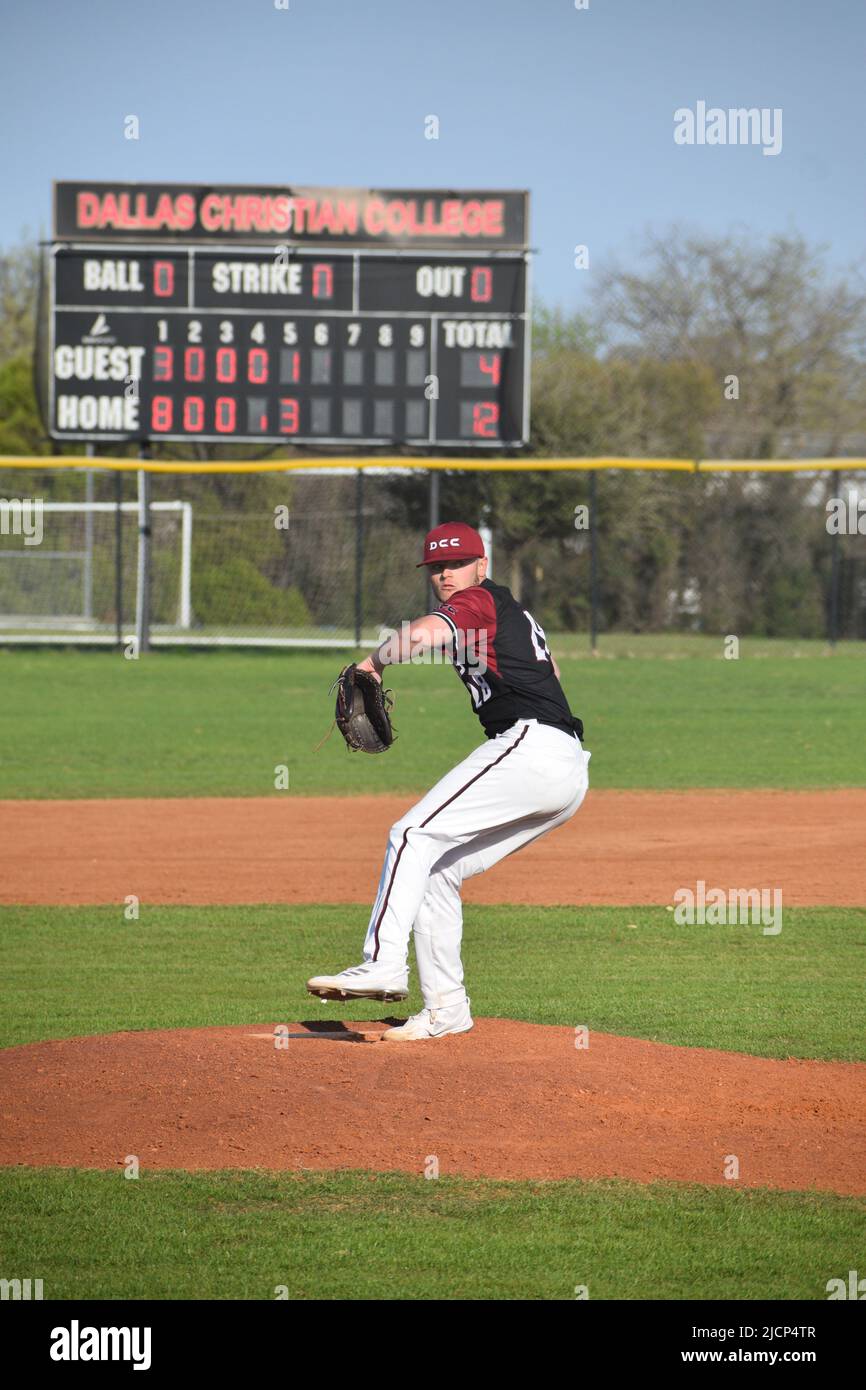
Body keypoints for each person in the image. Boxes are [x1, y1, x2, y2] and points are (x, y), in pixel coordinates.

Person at [307, 521, 591, 1041]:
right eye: (437, 568)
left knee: (411, 834)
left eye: (456, 564)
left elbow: (424, 634)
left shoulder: (478, 601)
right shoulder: (507, 612)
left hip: (533, 749)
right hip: (564, 766)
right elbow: (551, 677)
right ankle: (446, 1009)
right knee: (437, 869)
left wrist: (372, 664)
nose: (446, 575)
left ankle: (382, 963)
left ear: (482, 566)